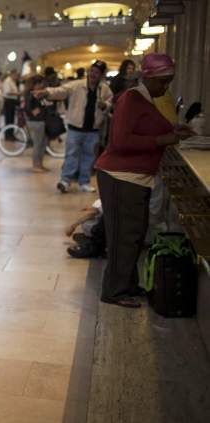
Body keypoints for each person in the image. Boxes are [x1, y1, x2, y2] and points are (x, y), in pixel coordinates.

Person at [94, 54, 192, 308]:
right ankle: (113, 291)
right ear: (147, 76)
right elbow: (120, 142)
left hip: (136, 178)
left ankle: (126, 284)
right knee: (123, 237)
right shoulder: (131, 99)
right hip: (120, 177)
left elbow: (144, 130)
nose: (165, 87)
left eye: (168, 81)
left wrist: (172, 132)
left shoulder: (147, 99)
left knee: (135, 234)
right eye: (162, 81)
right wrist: (162, 140)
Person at [35, 61, 113, 193]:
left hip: (93, 130)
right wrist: (46, 92)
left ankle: (84, 182)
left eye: (97, 72)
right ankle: (65, 181)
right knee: (71, 155)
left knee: (89, 157)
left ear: (101, 74)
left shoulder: (104, 89)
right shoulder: (77, 85)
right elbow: (61, 91)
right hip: (75, 128)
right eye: (92, 71)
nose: (93, 74)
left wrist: (105, 105)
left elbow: (110, 102)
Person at [24, 75, 49, 172]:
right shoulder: (32, 94)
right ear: (36, 84)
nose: (42, 85)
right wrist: (38, 113)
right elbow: (29, 108)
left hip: (39, 121)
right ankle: (36, 165)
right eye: (41, 83)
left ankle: (40, 164)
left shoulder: (35, 94)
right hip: (36, 122)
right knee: (38, 144)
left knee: (42, 144)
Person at [2, 69, 20, 140]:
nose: (17, 77)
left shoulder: (13, 81)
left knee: (12, 119)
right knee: (8, 119)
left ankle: (11, 134)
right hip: (9, 101)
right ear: (12, 74)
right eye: (16, 75)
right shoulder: (7, 81)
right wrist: (18, 93)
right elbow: (7, 92)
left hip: (13, 101)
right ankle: (8, 135)